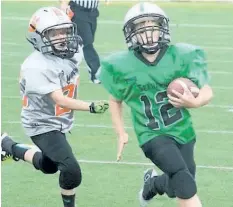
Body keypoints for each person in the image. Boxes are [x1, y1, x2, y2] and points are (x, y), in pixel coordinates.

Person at [99, 2, 213, 207]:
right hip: (151, 134)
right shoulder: (122, 66)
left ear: (162, 29)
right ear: (132, 34)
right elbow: (115, 100)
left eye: (152, 26)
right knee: (185, 184)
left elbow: (207, 91)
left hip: (183, 130)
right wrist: (121, 132)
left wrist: (194, 102)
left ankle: (151, 185)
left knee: (178, 184)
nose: (148, 33)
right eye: (142, 28)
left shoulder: (181, 56)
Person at [1, 7, 108, 207]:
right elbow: (60, 100)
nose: (62, 37)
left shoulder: (73, 52)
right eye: (54, 33)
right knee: (70, 169)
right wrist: (91, 106)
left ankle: (7, 146)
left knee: (49, 166)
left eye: (64, 31)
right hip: (41, 123)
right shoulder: (36, 66)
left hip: (59, 121)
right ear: (39, 36)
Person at [60, 0, 101, 84]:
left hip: (93, 12)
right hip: (78, 10)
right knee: (87, 43)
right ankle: (96, 72)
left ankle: (64, 69)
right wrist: (64, 3)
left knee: (80, 43)